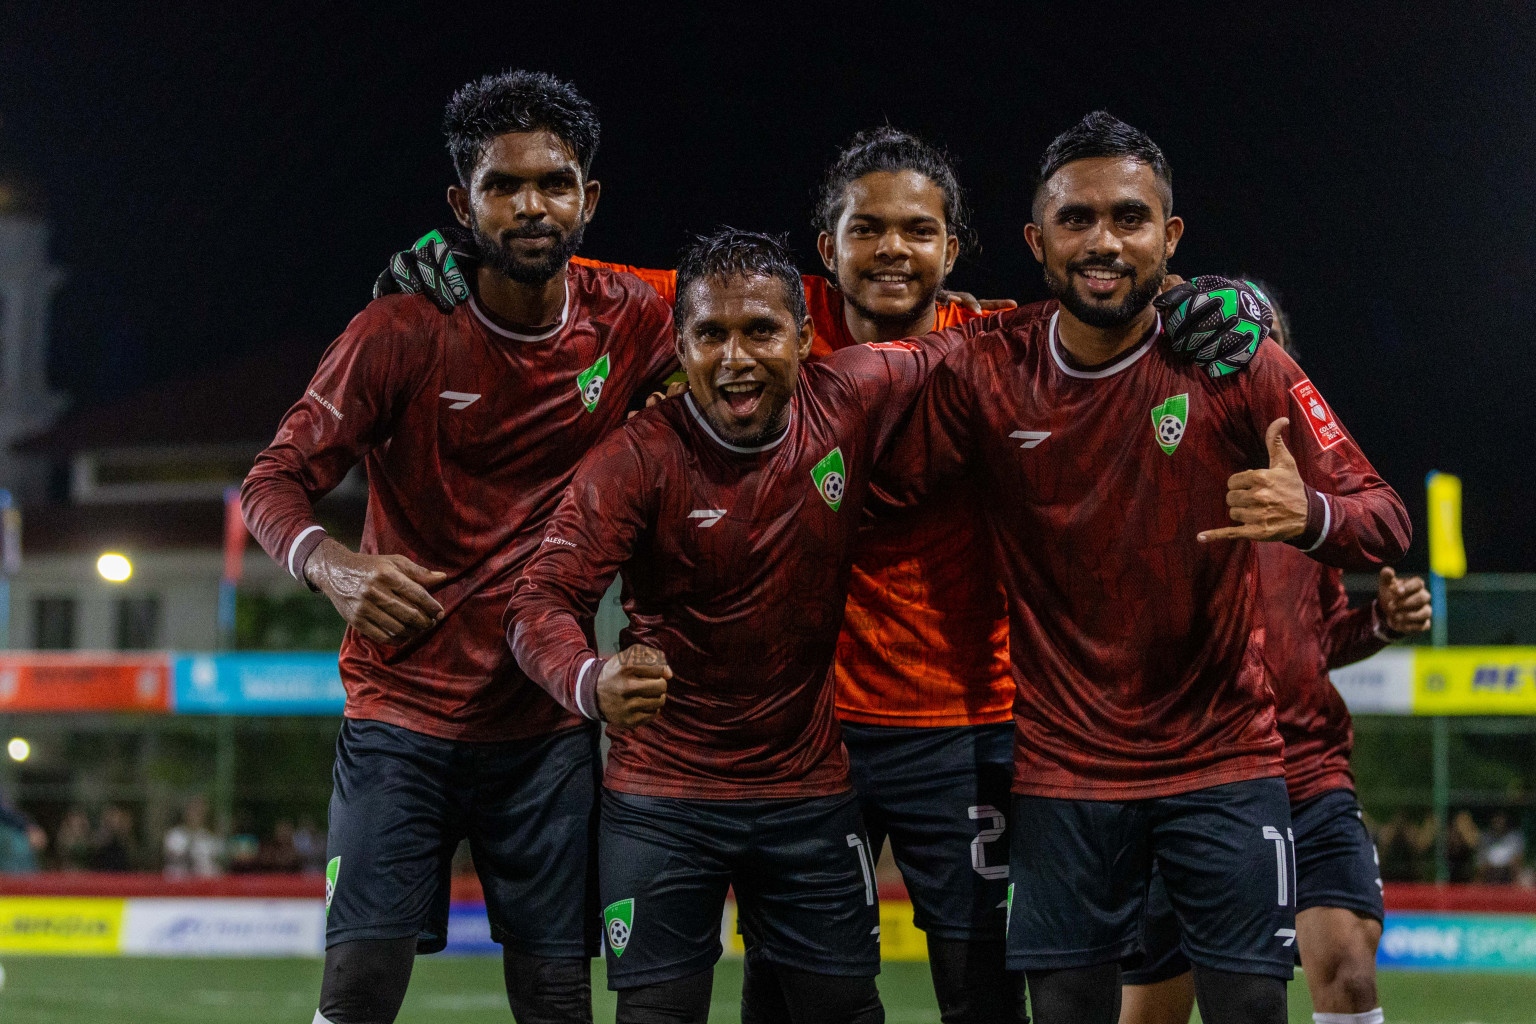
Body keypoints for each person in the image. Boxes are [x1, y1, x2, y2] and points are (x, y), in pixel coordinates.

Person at [388, 125, 1024, 1024]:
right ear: (825, 247)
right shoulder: (754, 307)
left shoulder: (988, 340)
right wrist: (462, 263)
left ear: (953, 247)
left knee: (980, 987)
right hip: (809, 731)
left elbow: (1105, 318)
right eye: (865, 229)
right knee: (778, 990)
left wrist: (1214, 299)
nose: (890, 249)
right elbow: (569, 277)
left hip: (955, 723)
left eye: (918, 232)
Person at [877, 111, 1411, 1024]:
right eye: (1077, 219)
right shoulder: (987, 369)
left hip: (1225, 762)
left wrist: (1310, 514)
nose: (1103, 241)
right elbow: (852, 413)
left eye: (1129, 218)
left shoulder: (1240, 361)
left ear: (1168, 237)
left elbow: (1385, 518)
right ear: (1035, 241)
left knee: (1251, 1009)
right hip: (1062, 774)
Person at [242, 69, 677, 1024]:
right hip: (402, 715)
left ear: (588, 200)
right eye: (502, 186)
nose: (532, 205)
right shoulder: (399, 328)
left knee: (558, 997)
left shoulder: (638, 317)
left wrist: (953, 311)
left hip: (547, 723)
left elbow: (771, 308)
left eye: (555, 183)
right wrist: (331, 564)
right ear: (460, 204)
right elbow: (271, 480)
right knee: (357, 991)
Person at [1118, 291, 1434, 1024]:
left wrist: (1380, 624)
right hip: (1195, 776)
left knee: (1350, 974)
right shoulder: (1162, 481)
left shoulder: (1318, 504)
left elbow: (1315, 641)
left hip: (1308, 775)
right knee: (1150, 1014)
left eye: (1264, 351)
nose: (1245, 367)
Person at [163, 796, 223, 878]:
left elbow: (214, 862)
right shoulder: (174, 836)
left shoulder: (209, 838)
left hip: (203, 884)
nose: (196, 815)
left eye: (200, 812)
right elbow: (173, 859)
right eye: (193, 811)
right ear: (187, 812)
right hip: (179, 882)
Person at [1477, 812, 1525, 884]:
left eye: (1501, 819)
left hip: (1508, 869)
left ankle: (1515, 889)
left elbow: (1518, 858)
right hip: (1490, 869)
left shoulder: (1514, 837)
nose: (1499, 822)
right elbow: (1481, 859)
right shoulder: (1485, 837)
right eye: (1496, 819)